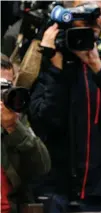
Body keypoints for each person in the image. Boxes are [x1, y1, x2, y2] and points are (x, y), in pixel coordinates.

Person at [28, 0, 101, 212]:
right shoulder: (51, 59)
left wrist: (98, 67)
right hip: (54, 191)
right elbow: (44, 122)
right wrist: (55, 69)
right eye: (87, 11)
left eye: (100, 12)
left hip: (98, 192)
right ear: (68, 15)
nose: (95, 19)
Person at [1, 53, 51, 213]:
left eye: (7, 87)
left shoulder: (15, 119)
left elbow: (42, 167)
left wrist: (12, 127)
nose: (3, 94)